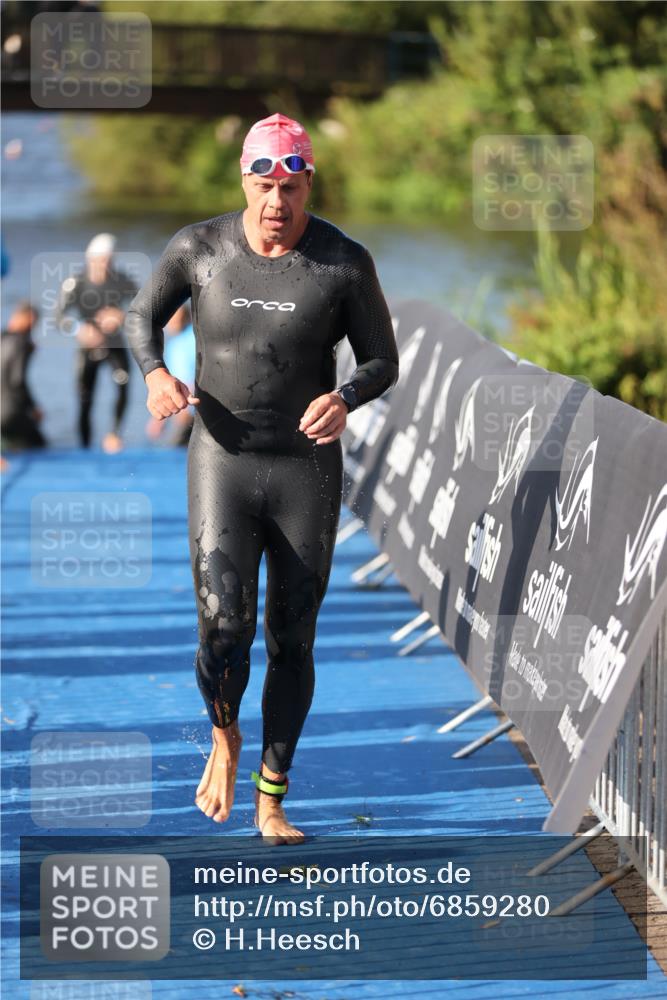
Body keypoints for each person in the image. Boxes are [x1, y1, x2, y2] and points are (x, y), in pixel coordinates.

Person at [125, 112, 399, 844]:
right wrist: (154, 375)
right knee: (224, 629)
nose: (277, 201)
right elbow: (140, 318)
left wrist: (344, 398)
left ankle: (270, 799)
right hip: (221, 461)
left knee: (293, 637)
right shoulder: (199, 248)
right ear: (243, 179)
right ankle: (223, 735)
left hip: (304, 468)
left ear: (309, 181)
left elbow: (382, 360)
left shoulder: (341, 262)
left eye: (292, 184)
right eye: (263, 182)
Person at [55, 232, 138, 453]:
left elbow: (146, 308)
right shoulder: (75, 282)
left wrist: (121, 316)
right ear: (90, 259)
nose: (104, 265)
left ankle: (114, 435)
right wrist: (79, 328)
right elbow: (57, 317)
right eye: (100, 260)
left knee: (123, 386)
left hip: (115, 344)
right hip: (88, 346)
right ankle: (84, 446)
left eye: (109, 260)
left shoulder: (122, 280)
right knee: (84, 398)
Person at [145, 304, 196, 447]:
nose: (171, 324)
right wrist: (158, 420)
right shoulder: (174, 344)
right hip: (181, 407)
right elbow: (169, 383)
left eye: (176, 319)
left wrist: (186, 407)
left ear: (186, 318)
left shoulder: (192, 339)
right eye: (170, 320)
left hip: (193, 409)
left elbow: (199, 374)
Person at [1, 300, 47, 452]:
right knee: (39, 445)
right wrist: (33, 407)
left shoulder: (3, 338)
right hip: (9, 414)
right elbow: (17, 381)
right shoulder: (21, 343)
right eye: (32, 325)